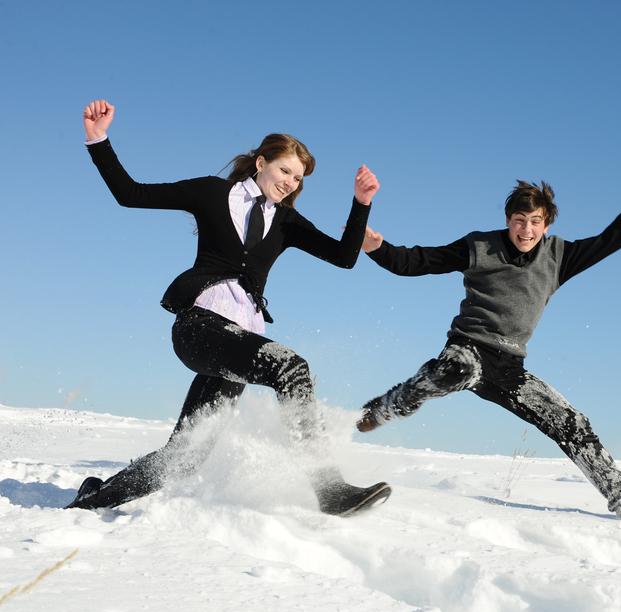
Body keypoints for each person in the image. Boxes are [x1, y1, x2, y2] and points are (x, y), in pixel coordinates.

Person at [66, 99, 389, 515]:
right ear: (261, 163)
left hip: (240, 338)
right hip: (199, 326)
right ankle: (327, 488)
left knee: (185, 457)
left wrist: (361, 203)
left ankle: (93, 499)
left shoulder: (286, 221)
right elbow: (130, 194)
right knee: (291, 367)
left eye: (299, 178)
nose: (291, 182)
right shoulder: (213, 193)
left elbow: (344, 257)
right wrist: (99, 140)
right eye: (285, 170)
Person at [356, 149, 621, 521]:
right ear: (508, 220)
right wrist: (377, 249)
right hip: (468, 349)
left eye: (535, 222)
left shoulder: (560, 256)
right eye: (519, 220)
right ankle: (388, 406)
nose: (526, 230)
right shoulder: (479, 247)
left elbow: (612, 239)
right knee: (456, 371)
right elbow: (416, 262)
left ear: (547, 224)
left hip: (510, 367)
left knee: (571, 423)